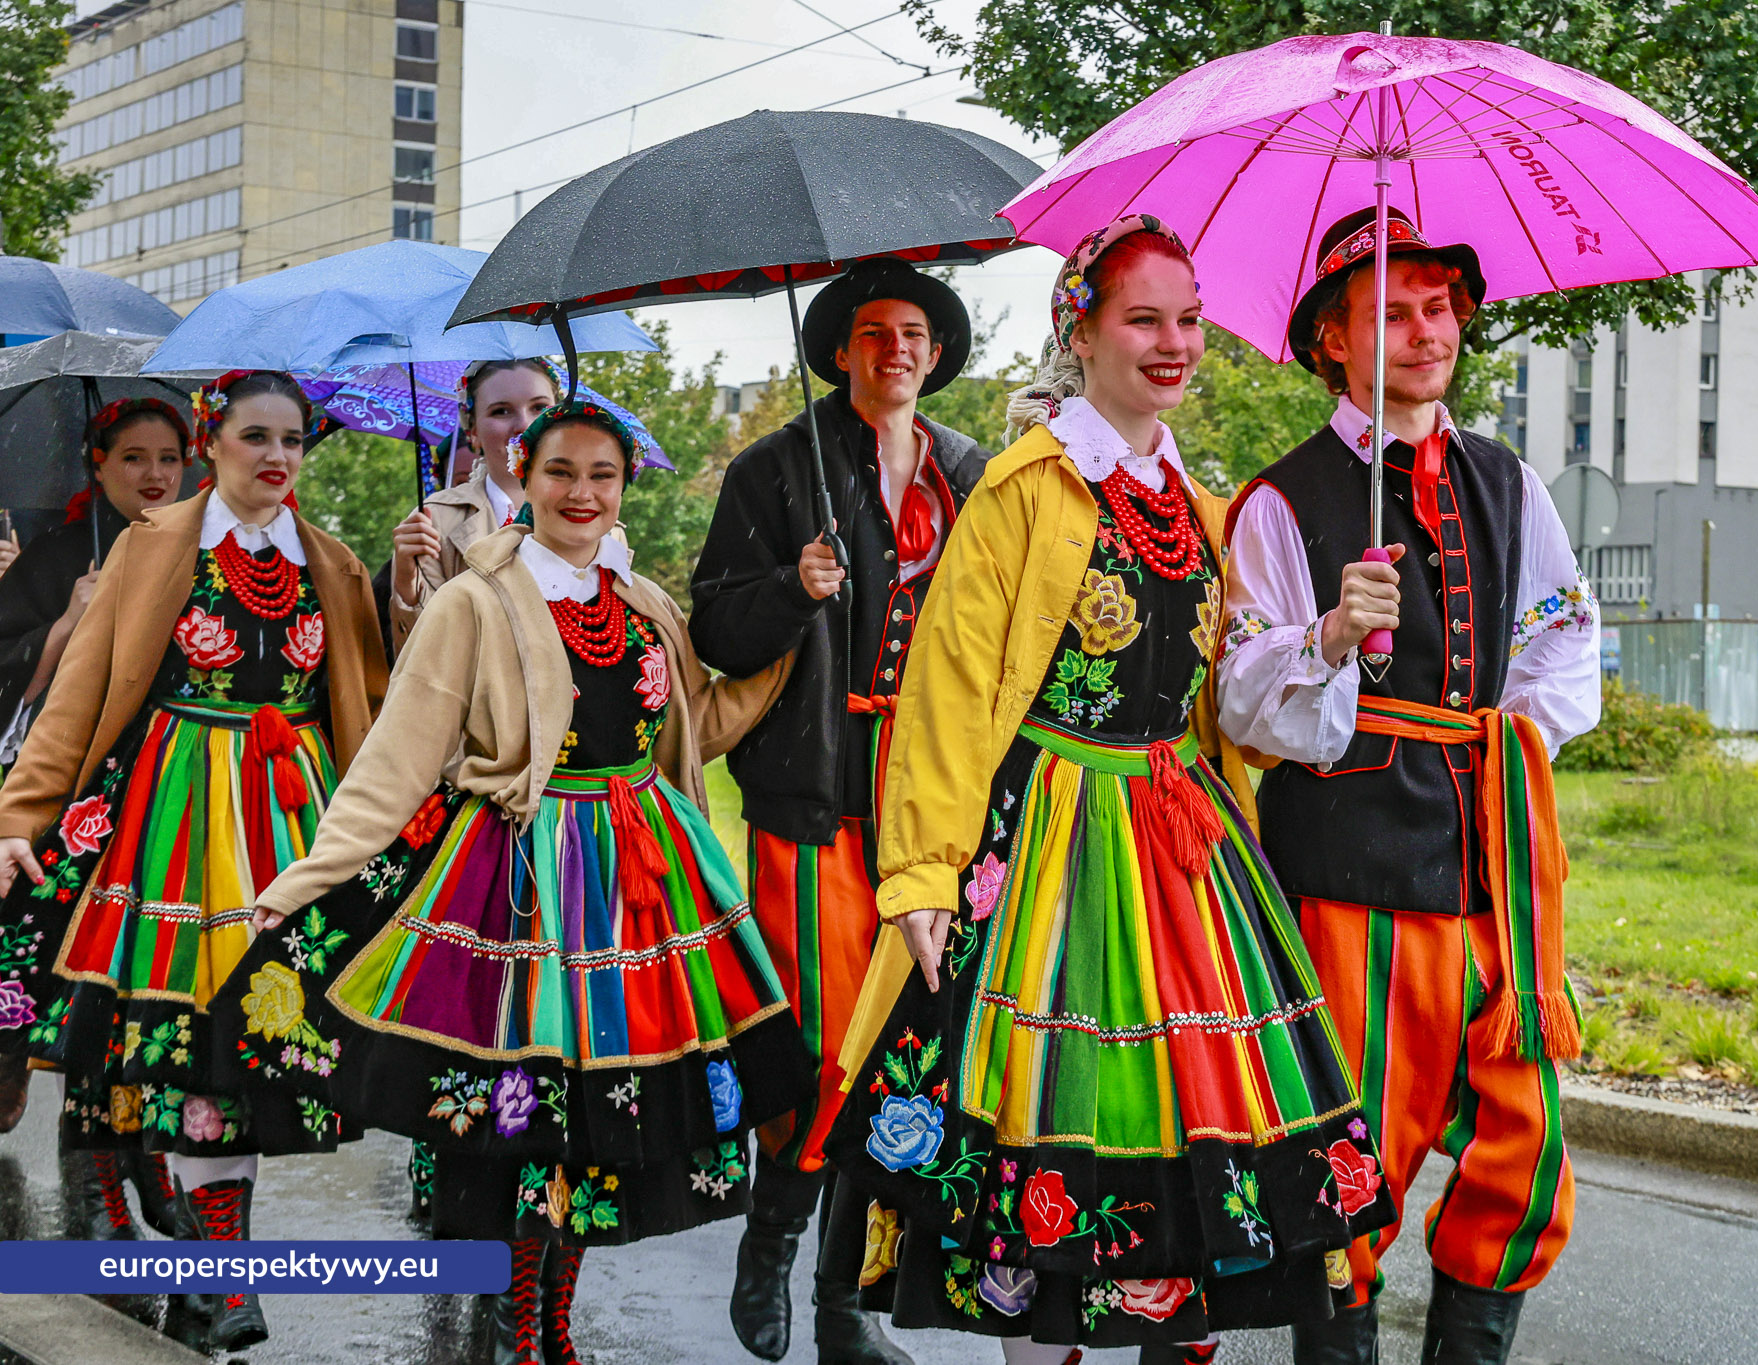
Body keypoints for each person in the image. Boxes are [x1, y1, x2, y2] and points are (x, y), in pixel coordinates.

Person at [823, 217, 1390, 1365]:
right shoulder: (1023, 492)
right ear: (1076, 332)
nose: (1174, 342)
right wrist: (923, 875)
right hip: (1047, 845)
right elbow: (945, 694)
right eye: (1143, 318)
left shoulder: (1196, 504)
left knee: (1188, 1161)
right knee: (1043, 1165)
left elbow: (1219, 696)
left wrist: (1326, 634)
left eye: (1187, 318)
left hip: (1180, 851)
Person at [213, 399, 808, 1365]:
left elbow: (700, 721)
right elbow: (397, 761)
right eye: (561, 471)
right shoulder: (474, 600)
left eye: (602, 475)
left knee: (602, 1119)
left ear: (625, 488)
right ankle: (516, 1321)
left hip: (636, 887)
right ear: (522, 476)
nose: (581, 492)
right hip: (518, 878)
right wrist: (302, 884)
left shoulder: (643, 602)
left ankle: (551, 1322)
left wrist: (794, 612)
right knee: (524, 1113)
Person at [1214, 206, 1601, 1365]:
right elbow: (1240, 701)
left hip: (1492, 869)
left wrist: (1494, 746)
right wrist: (1332, 635)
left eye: (1436, 309)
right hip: (1349, 872)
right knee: (1353, 1161)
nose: (1423, 332)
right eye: (1388, 313)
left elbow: (1559, 635)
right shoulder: (1281, 500)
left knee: (1521, 1154)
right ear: (1330, 339)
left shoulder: (1507, 481)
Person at [0, 371, 388, 1354]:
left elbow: (377, 724)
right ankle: (216, 1274)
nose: (276, 457)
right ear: (213, 442)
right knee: (190, 1049)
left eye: (293, 440)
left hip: (288, 824)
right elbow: (80, 698)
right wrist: (20, 813)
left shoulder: (332, 565)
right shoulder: (156, 544)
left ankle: (215, 1267)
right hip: (169, 820)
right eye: (255, 436)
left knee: (248, 1055)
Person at [690, 257, 993, 1365]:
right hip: (812, 795)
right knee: (823, 1045)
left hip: (934, 802)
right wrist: (791, 588)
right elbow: (715, 629)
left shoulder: (973, 472)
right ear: (839, 351)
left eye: (914, 330)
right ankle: (769, 1245)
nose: (897, 348)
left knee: (902, 1055)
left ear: (937, 350)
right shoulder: (775, 469)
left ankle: (844, 1310)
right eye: (873, 332)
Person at [0, 398, 194, 1237]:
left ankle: (122, 1168)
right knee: (56, 967)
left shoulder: (203, 547)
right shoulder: (51, 559)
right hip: (64, 790)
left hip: (164, 794)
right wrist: (70, 620)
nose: (154, 475)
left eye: (169, 457)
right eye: (133, 458)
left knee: (135, 985)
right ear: (98, 464)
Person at [386, 358, 558, 655]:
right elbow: (424, 658)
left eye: (540, 408)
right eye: (501, 411)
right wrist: (407, 584)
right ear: (472, 431)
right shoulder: (434, 521)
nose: (524, 425)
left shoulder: (598, 519)